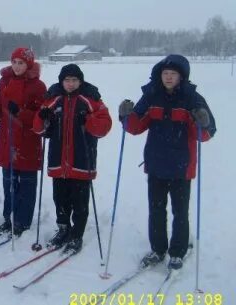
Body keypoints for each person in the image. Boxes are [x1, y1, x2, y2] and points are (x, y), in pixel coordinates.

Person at [118, 54, 216, 269]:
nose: (169, 77)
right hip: (156, 164)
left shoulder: (192, 98)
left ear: (181, 76)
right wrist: (125, 116)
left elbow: (205, 135)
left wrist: (202, 122)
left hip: (182, 165)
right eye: (165, 73)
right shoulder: (152, 95)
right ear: (159, 75)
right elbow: (135, 127)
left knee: (180, 211)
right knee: (156, 209)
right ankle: (158, 249)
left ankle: (178, 251)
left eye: (173, 74)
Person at [33, 64, 112, 253]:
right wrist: (43, 118)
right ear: (62, 81)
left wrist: (89, 121)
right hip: (58, 160)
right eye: (67, 80)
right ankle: (63, 228)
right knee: (60, 199)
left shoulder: (90, 99)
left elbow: (105, 125)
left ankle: (77, 234)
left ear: (80, 81)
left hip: (81, 160)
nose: (70, 84)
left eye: (74, 80)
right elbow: (39, 128)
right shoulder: (53, 99)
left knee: (79, 202)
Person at [0, 47, 46, 236]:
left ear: (29, 64)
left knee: (26, 185)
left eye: (21, 63)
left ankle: (23, 221)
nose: (17, 66)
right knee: (9, 183)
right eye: (14, 62)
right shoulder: (5, 80)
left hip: (27, 142)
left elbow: (40, 117)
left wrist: (20, 112)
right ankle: (8, 217)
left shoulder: (39, 86)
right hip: (7, 139)